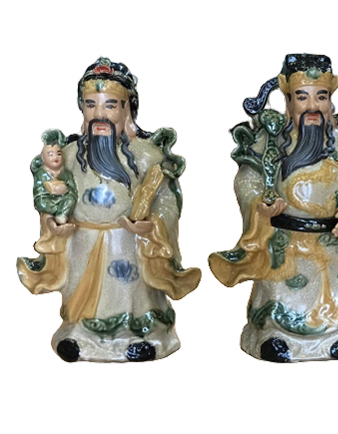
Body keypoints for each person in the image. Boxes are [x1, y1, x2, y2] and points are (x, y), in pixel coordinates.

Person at [209, 54, 338, 362]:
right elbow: (247, 180)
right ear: (287, 100)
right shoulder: (268, 143)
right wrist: (259, 205)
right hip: (285, 242)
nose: (312, 106)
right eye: (302, 97)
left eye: (321, 97)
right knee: (280, 294)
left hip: (335, 242)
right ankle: (274, 334)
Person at [17, 57, 201, 362]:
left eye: (110, 105)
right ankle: (79, 334)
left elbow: (168, 201)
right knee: (83, 295)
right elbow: (49, 194)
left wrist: (153, 224)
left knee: (132, 294)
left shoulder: (147, 156)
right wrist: (52, 222)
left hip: (129, 243)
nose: (99, 114)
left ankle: (140, 335)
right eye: (91, 105)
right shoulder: (68, 155)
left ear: (128, 109)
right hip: (83, 241)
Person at [32, 129, 77, 225]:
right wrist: (49, 189)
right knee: (41, 203)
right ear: (43, 158)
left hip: (63, 200)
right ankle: (59, 213)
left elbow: (73, 190)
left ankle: (61, 215)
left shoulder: (66, 173)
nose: (55, 157)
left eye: (58, 154)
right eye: (51, 155)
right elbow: (38, 191)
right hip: (47, 199)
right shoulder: (41, 173)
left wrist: (66, 189)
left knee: (70, 200)